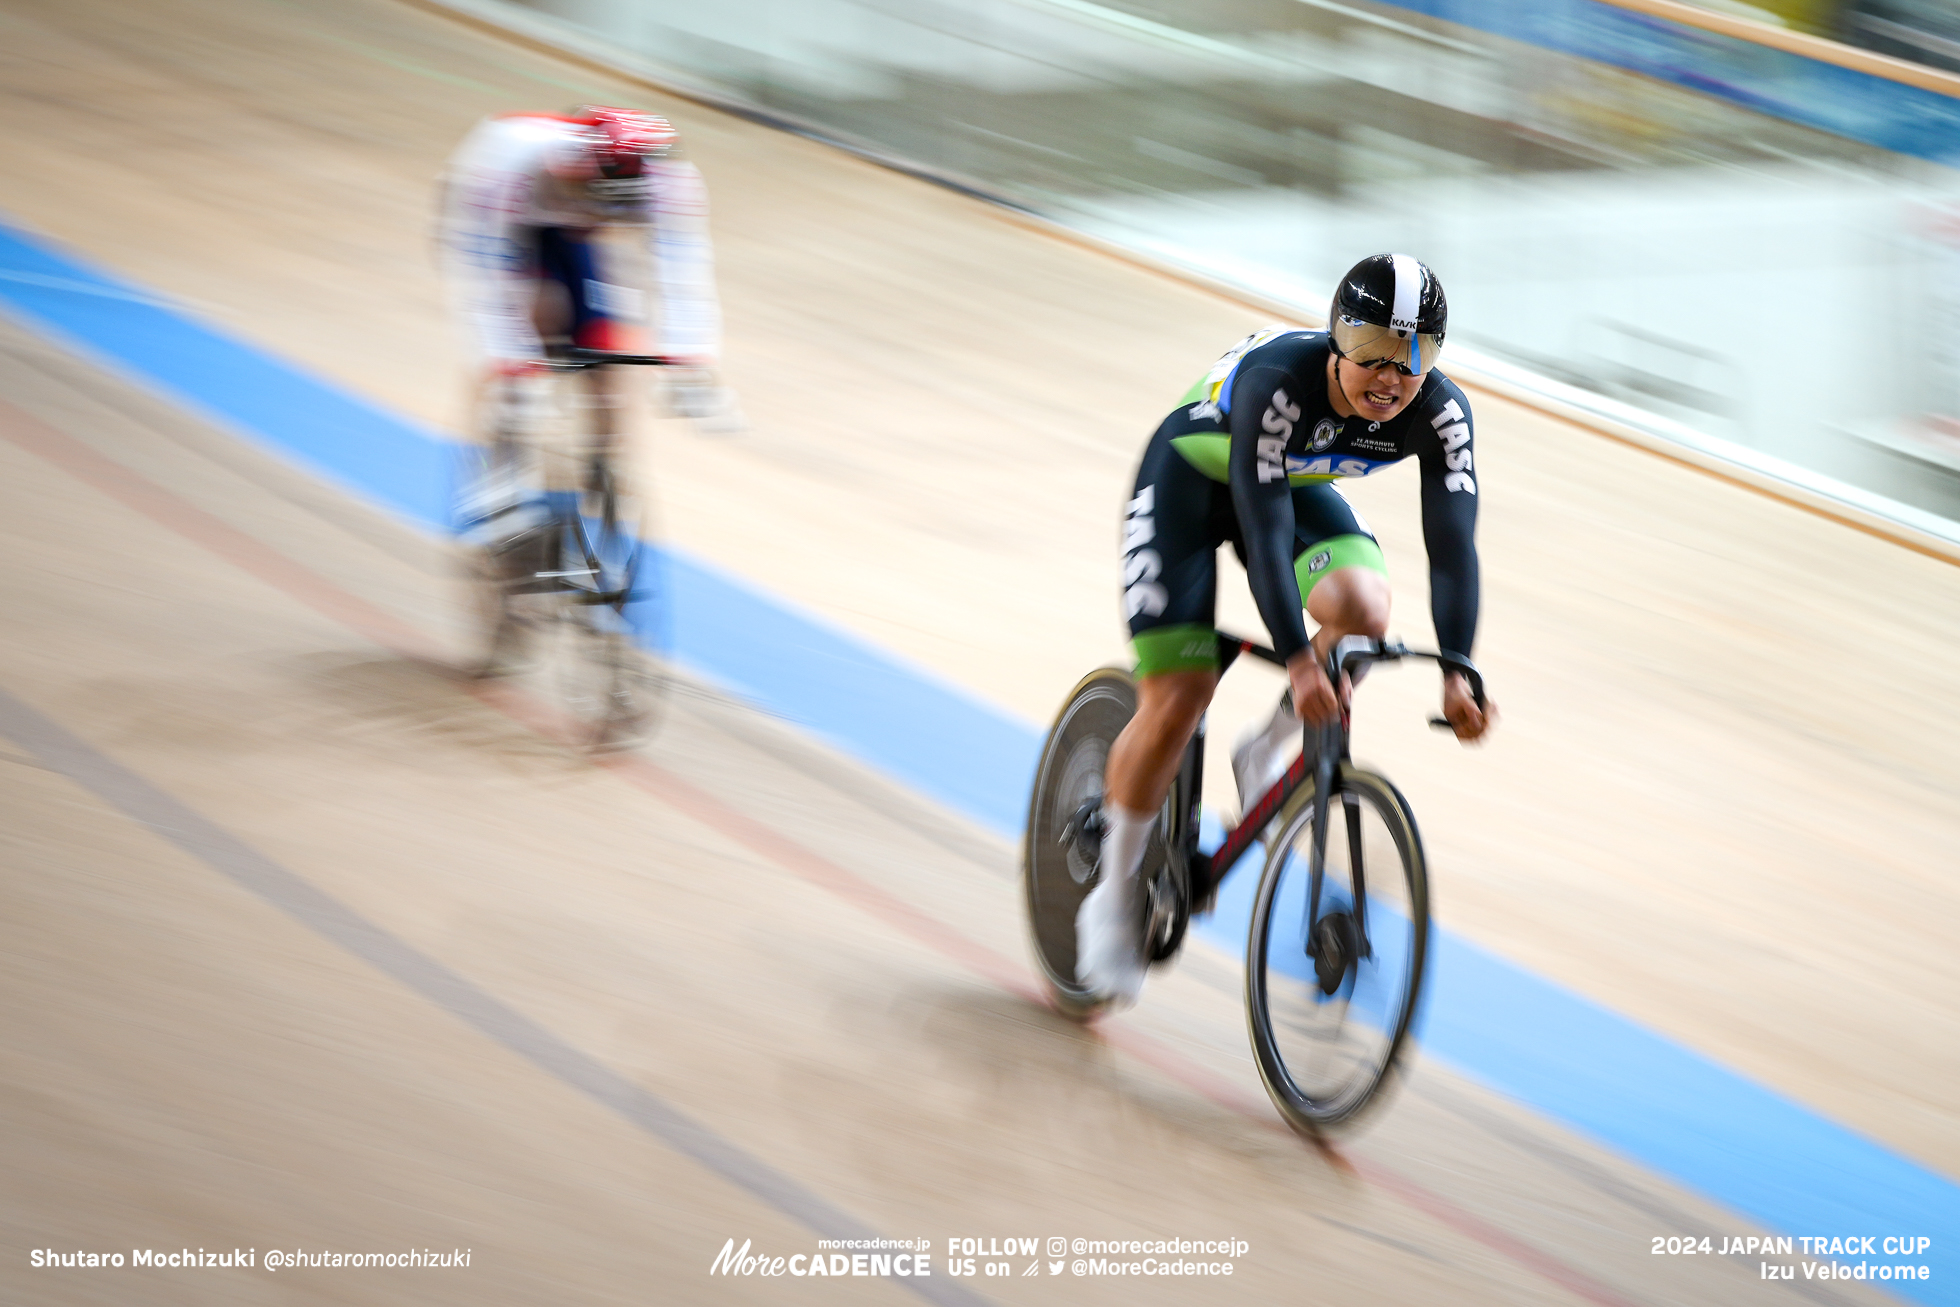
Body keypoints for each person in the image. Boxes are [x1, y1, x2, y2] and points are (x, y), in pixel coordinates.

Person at [1078, 252, 1496, 1005]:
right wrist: (1300, 662)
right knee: (1179, 697)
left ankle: (1262, 751)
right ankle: (1110, 898)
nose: (1391, 376)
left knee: (1366, 613)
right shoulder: (1282, 381)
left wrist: (1458, 668)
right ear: (1339, 336)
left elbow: (1454, 546)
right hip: (1188, 483)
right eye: (1372, 350)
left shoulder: (1440, 413)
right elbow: (1265, 533)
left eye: (1414, 356)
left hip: (1291, 485)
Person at [438, 104, 734, 539]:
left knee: (605, 343)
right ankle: (494, 475)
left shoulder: (670, 184)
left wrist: (692, 358)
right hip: (502, 222)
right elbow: (481, 281)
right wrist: (511, 364)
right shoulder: (507, 160)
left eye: (612, 207)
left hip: (568, 226)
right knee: (528, 330)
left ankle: (604, 467)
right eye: (590, 196)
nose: (600, 213)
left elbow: (683, 268)